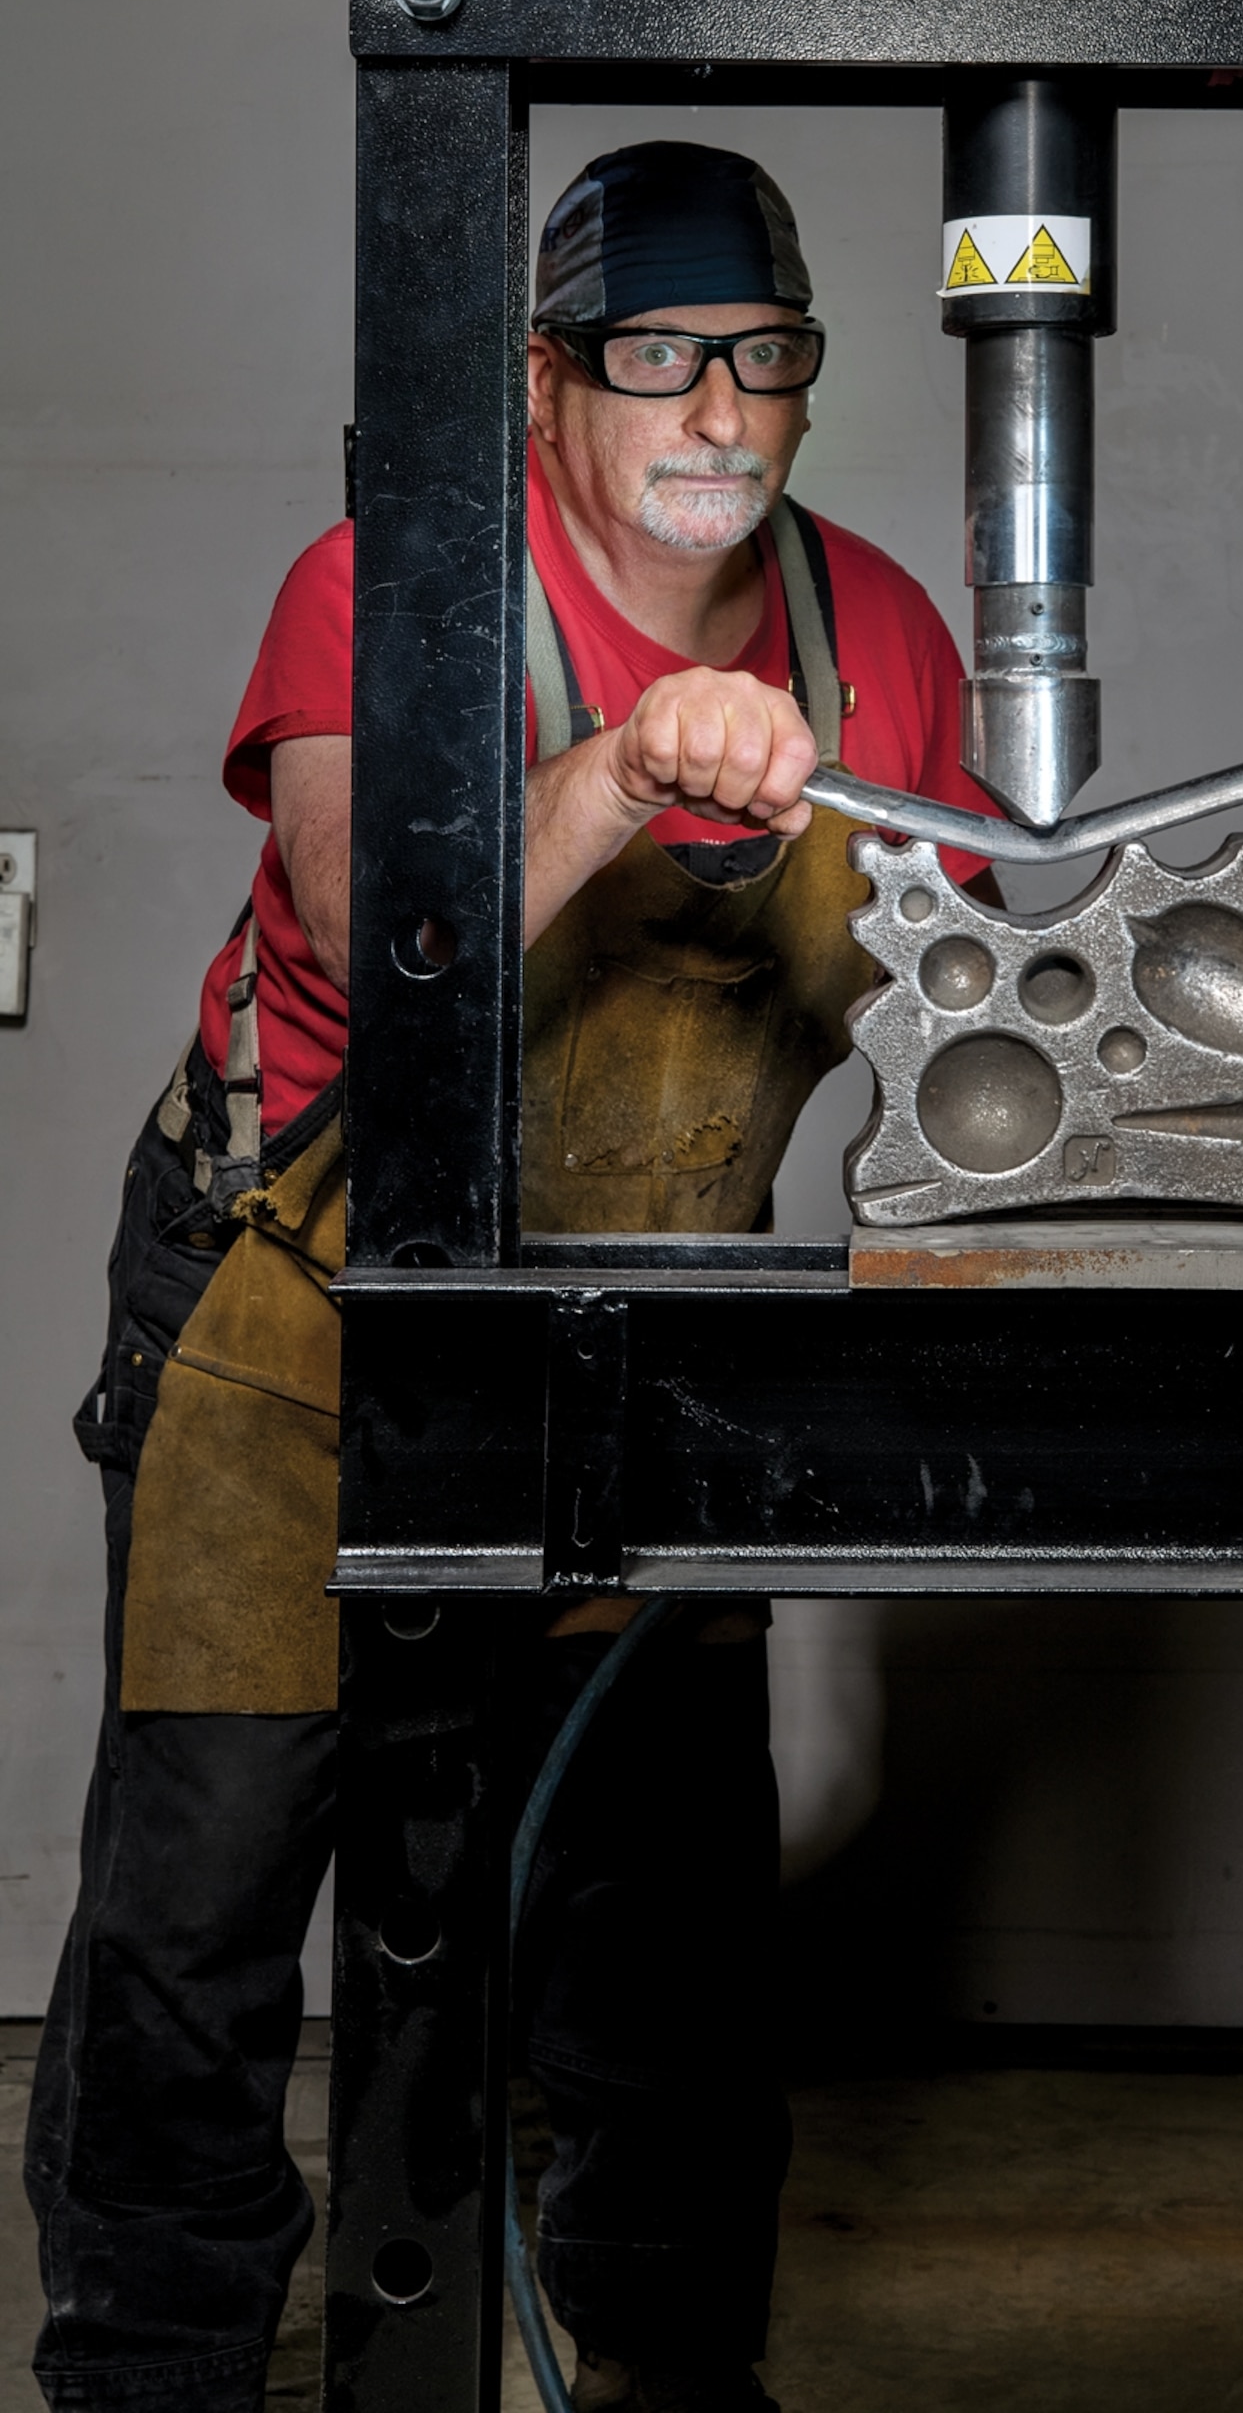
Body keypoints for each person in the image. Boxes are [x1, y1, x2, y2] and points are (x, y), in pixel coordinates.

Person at [27, 142, 996, 2413]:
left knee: (658, 1940)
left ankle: (664, 2370)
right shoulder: (397, 580)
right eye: (659, 360)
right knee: (204, 1905)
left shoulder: (882, 640)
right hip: (294, 1324)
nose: (720, 417)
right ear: (548, 380)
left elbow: (960, 1022)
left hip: (635, 1359)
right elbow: (374, 934)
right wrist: (624, 769)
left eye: (769, 361)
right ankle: (142, 2373)